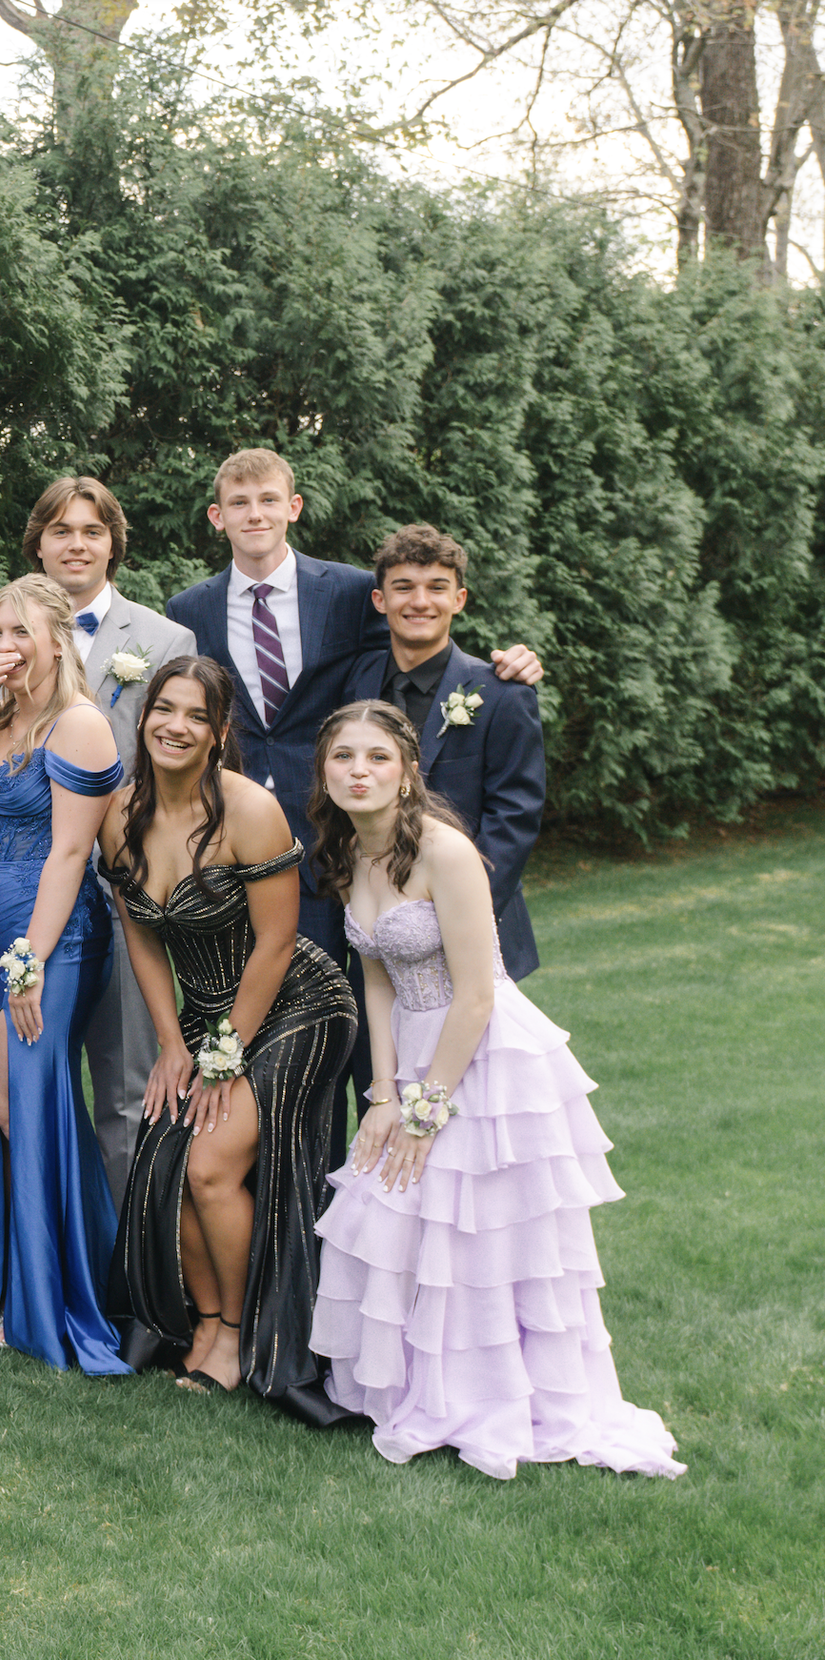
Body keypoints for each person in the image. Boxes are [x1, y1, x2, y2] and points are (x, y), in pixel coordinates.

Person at [306, 702, 683, 1480]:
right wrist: (382, 1095)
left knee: (475, 1230)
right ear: (325, 772)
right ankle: (419, 1385)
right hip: (410, 1047)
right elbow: (374, 974)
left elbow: (478, 993)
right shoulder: (349, 851)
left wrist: (426, 1109)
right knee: (399, 1211)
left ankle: (495, 1394)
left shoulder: (445, 852)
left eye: (377, 757)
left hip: (482, 1056)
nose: (359, 771)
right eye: (343, 757)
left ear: (408, 769)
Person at [166, 449, 543, 1168]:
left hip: (396, 889)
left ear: (293, 507)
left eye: (268, 500)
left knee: (409, 1069)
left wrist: (515, 663)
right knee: (299, 1052)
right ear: (217, 517)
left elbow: (427, 640)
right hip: (291, 864)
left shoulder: (344, 592)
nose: (255, 515)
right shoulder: (189, 612)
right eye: (238, 503)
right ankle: (310, 1226)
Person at [96, 658, 357, 1420]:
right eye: (164, 710)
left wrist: (223, 1056)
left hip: (297, 1004)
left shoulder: (249, 811)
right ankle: (206, 1326)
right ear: (145, 720)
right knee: (171, 1154)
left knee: (209, 1164)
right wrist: (173, 1045)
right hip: (207, 1018)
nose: (177, 726)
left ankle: (245, 1336)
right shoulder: (120, 812)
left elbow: (277, 944)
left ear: (219, 734)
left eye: (196, 716)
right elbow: (142, 938)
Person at [0, 478, 197, 1205]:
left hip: (123, 893)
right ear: (39, 542)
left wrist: (135, 864)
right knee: (16, 1081)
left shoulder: (163, 639)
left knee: (127, 1086)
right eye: (61, 530)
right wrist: (17, 840)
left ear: (112, 545)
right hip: (19, 893)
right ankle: (30, 1256)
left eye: (92, 531)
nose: (77, 543)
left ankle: (128, 1270)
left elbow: (177, 767)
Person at [0, 575, 124, 1371]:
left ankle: (55, 1290)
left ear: (57, 641)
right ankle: (0, 1273)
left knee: (23, 1099)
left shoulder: (78, 725)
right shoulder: (1, 715)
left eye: (18, 634)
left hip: (56, 934)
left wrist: (31, 963)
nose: (2, 645)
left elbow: (72, 852)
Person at [345, 524, 546, 980]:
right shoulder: (353, 682)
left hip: (472, 929)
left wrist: (457, 918)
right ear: (380, 601)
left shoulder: (501, 693)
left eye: (437, 587)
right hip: (375, 930)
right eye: (404, 588)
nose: (420, 602)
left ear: (459, 599)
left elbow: (514, 816)